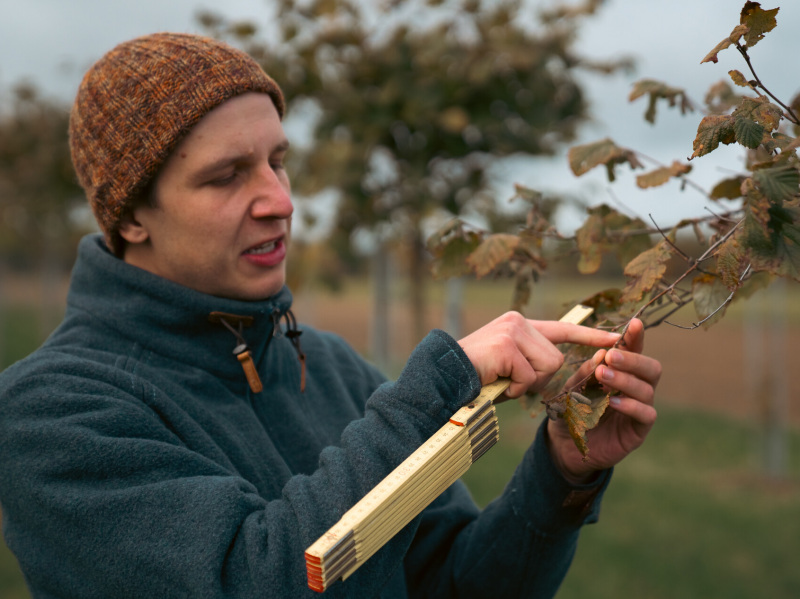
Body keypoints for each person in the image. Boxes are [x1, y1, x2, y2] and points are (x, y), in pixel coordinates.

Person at [0, 33, 661, 599]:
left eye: (277, 161)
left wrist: (561, 471)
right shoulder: (50, 414)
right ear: (130, 217)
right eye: (227, 175)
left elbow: (450, 581)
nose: (279, 200)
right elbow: (254, 579)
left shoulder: (330, 366)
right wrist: (433, 392)